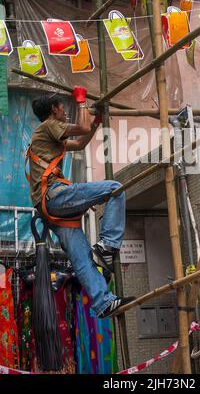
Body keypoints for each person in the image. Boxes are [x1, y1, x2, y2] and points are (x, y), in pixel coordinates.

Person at [27, 86, 134, 318]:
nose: (65, 111)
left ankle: (103, 302)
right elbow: (81, 127)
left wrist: (96, 122)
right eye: (63, 107)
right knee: (115, 188)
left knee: (81, 256)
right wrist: (82, 101)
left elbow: (81, 142)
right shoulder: (49, 125)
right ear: (53, 110)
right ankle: (109, 245)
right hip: (54, 196)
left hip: (48, 206)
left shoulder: (48, 136)